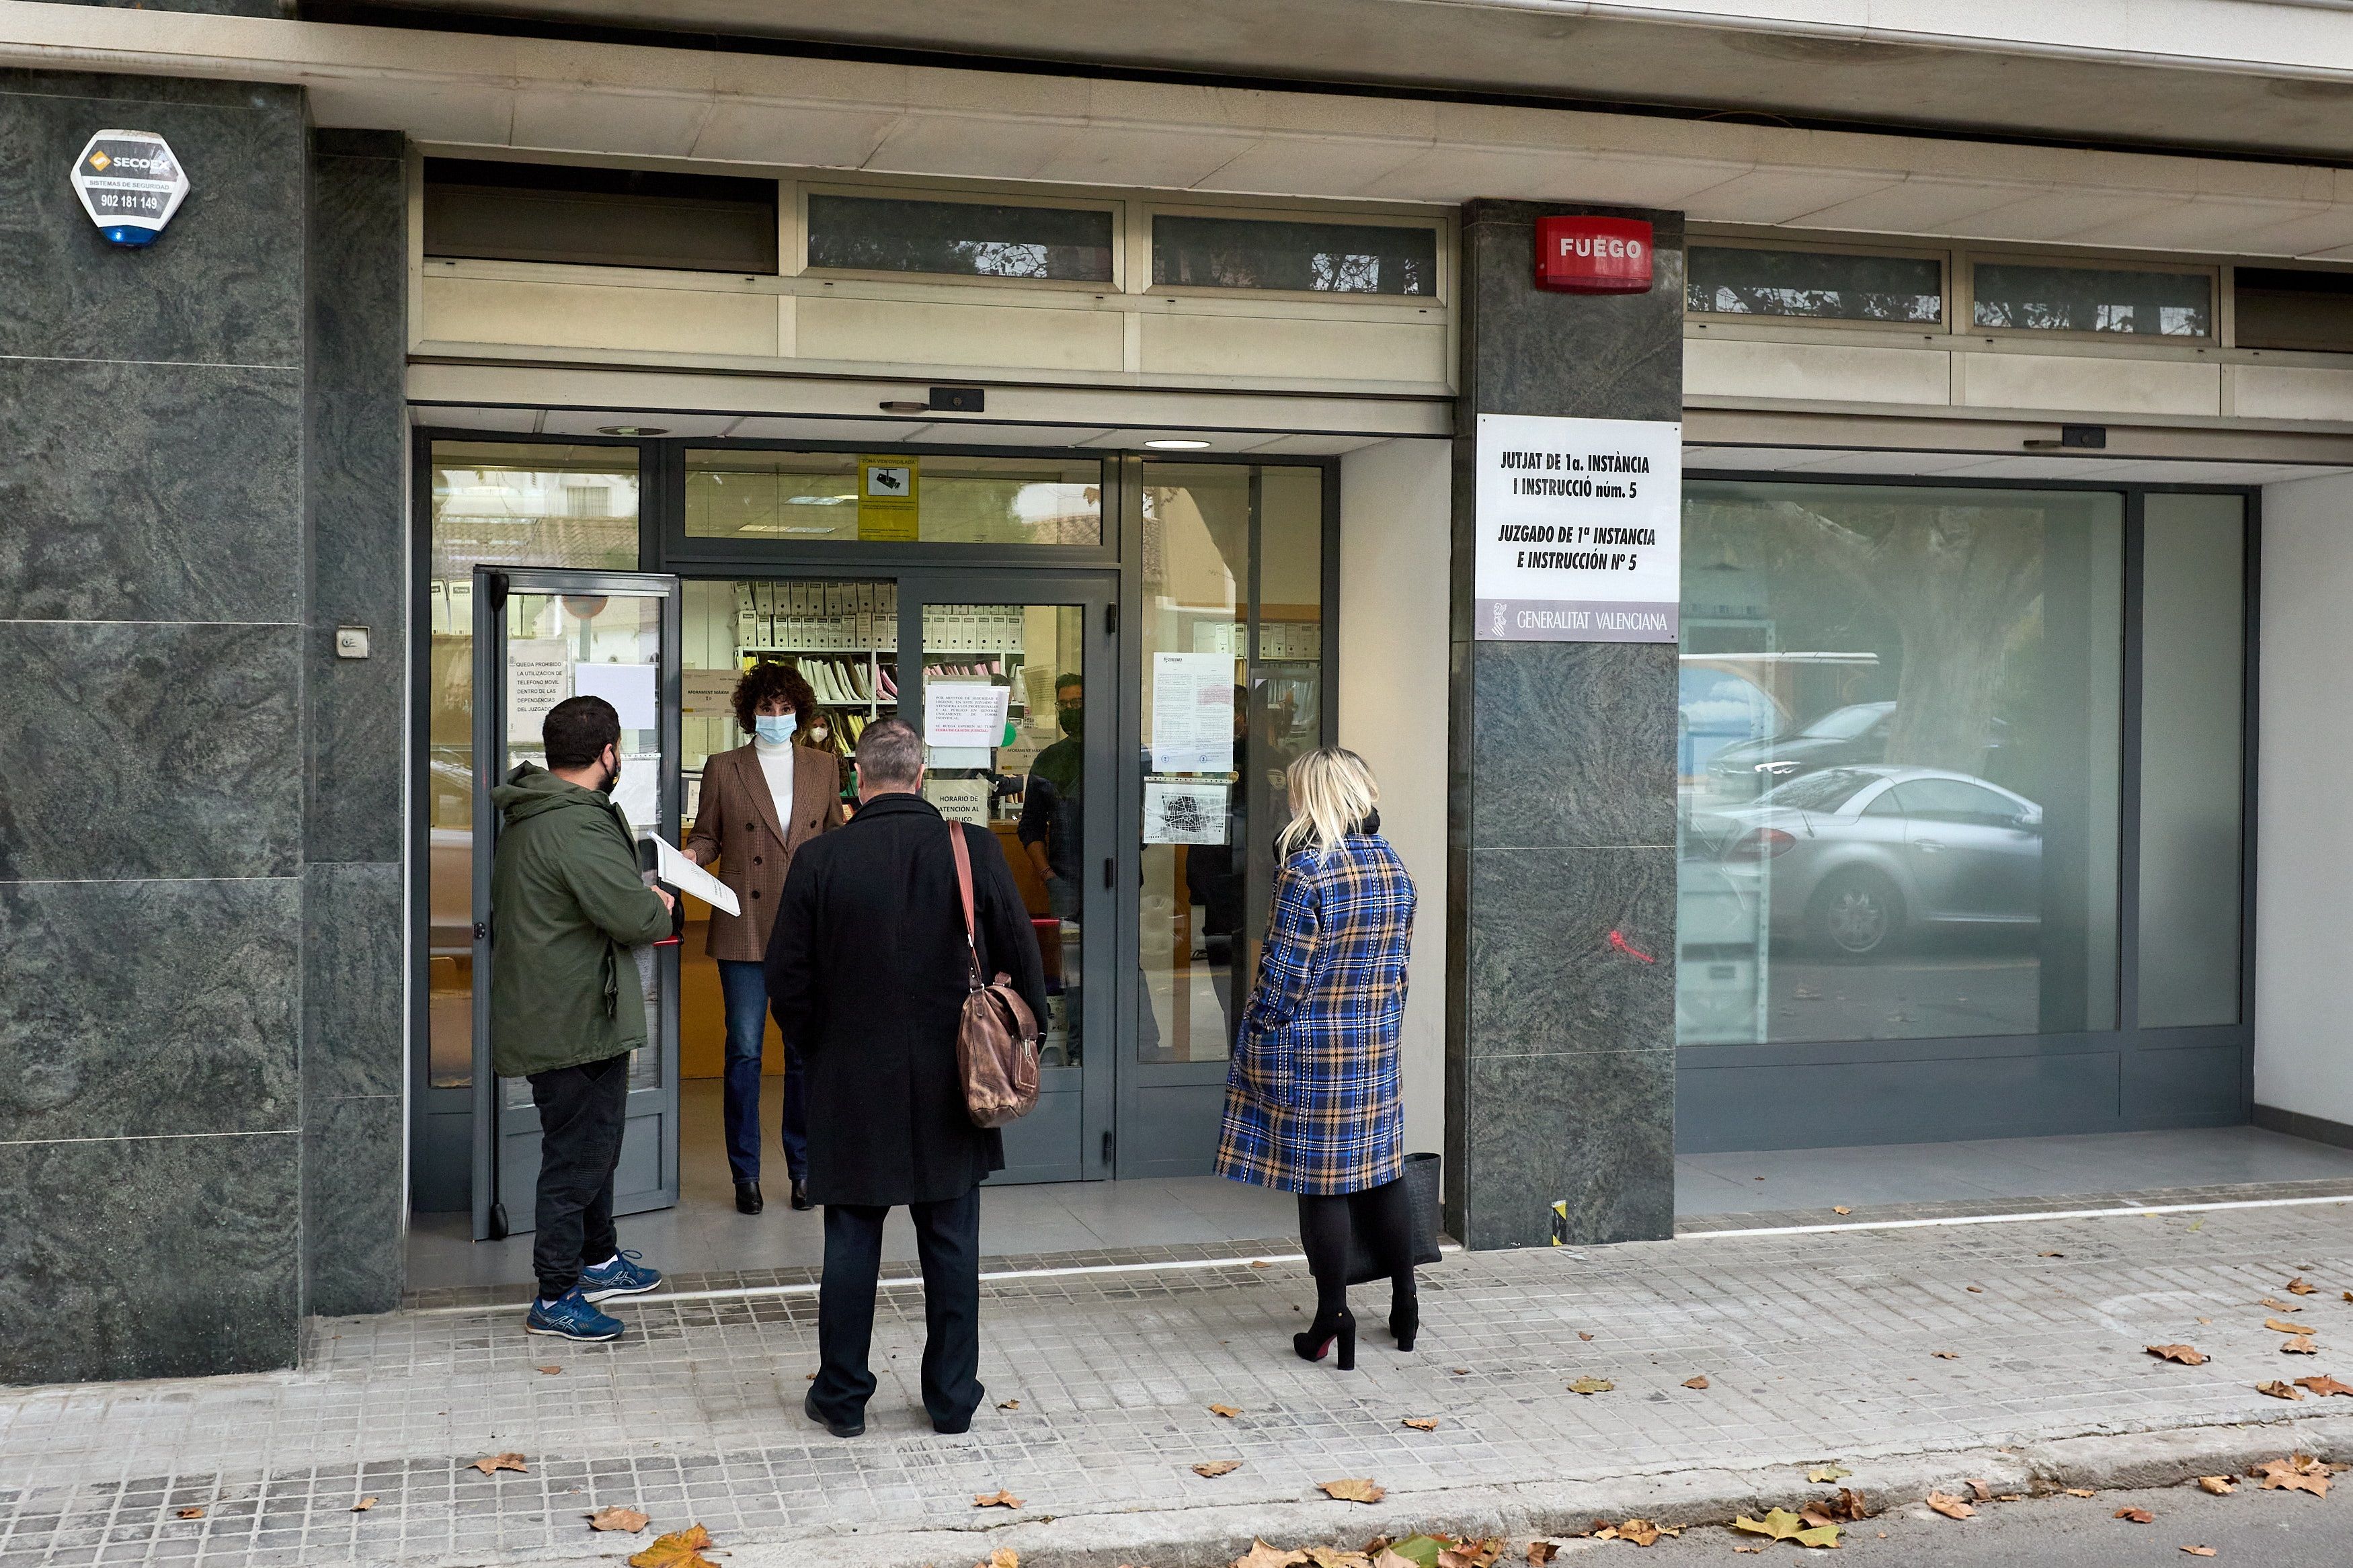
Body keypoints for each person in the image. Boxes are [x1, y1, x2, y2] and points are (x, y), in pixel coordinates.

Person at [766, 718, 1047, 1438]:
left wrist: (818, 1048)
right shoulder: (972, 849)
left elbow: (787, 978)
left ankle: (841, 1397)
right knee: (951, 1239)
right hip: (955, 1078)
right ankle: (951, 1398)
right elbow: (1023, 954)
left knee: (852, 1240)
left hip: (850, 1078)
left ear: (858, 779)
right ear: (921, 776)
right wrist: (1022, 1037)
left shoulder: (820, 858)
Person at [1213, 746, 1419, 1371]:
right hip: (1376, 1045)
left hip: (1313, 1052)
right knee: (1381, 1172)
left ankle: (1333, 1313)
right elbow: (1400, 967)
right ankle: (1406, 1302)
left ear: (1315, 797)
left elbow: (1284, 977)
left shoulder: (1308, 872)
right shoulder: (1393, 866)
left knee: (1322, 1184)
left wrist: (1258, 1026)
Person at [489, 694, 677, 1343]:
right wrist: (658, 903)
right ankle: (556, 1293)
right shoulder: (574, 824)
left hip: (569, 1012)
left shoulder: (541, 812)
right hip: (570, 1019)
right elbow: (634, 918)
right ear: (608, 753)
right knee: (575, 1161)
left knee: (594, 1149)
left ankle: (598, 1258)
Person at [684, 661, 844, 1214]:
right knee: (745, 1051)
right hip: (744, 923)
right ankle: (745, 1174)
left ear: (799, 710)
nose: (775, 717)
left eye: (784, 707)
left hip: (808, 926)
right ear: (749, 711)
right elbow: (707, 833)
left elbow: (837, 841)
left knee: (803, 1053)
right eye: (765, 708)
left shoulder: (825, 766)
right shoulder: (724, 767)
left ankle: (803, 1170)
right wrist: (691, 855)